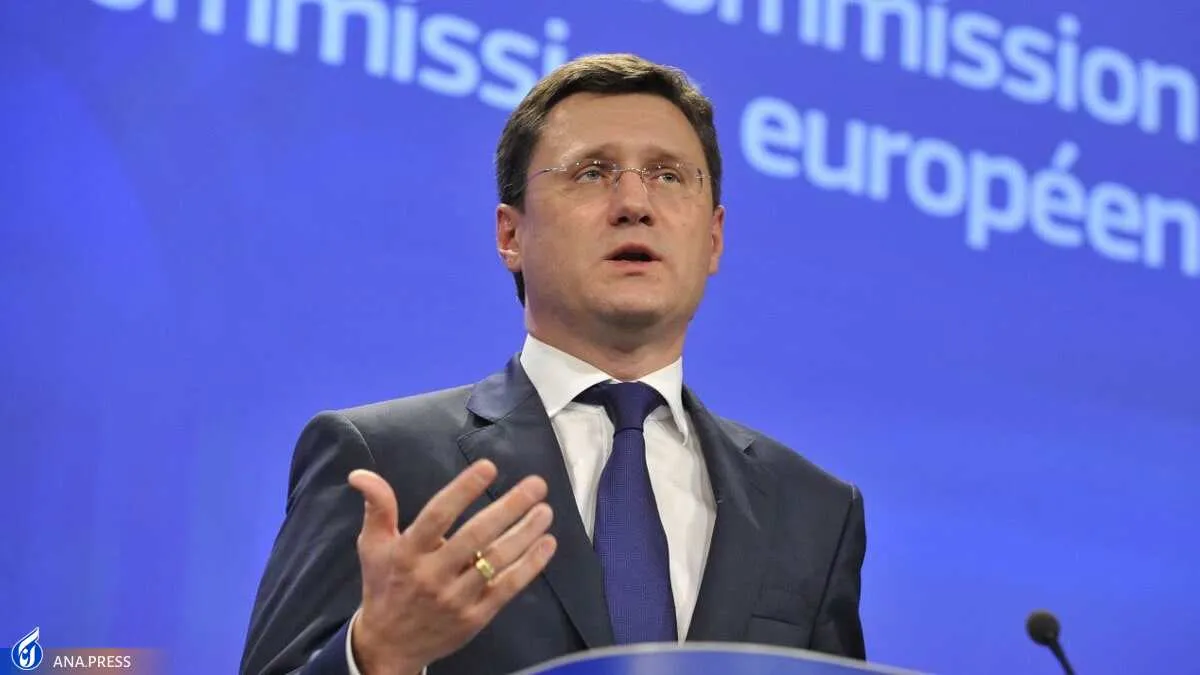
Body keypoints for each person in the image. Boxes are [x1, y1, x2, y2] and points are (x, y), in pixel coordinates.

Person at [239, 52, 867, 675]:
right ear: (511, 236)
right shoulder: (383, 461)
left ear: (713, 239)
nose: (635, 203)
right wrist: (375, 654)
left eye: (669, 176)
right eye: (592, 173)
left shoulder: (813, 509)